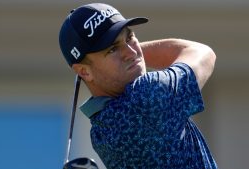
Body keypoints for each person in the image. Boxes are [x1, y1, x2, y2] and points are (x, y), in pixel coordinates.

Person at [59, 3, 217, 169]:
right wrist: (135, 55)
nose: (132, 52)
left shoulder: (99, 133)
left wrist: (123, 55)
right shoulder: (147, 95)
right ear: (84, 72)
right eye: (112, 49)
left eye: (129, 38)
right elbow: (201, 52)